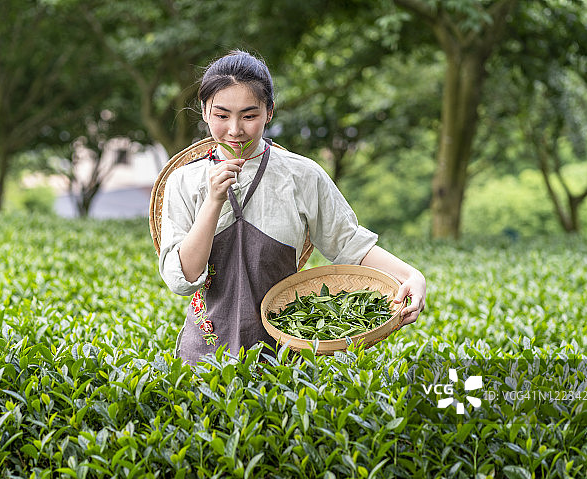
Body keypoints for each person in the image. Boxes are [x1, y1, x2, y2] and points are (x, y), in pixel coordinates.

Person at [158, 49, 426, 364]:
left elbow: (348, 242)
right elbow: (182, 279)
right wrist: (213, 200)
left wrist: (411, 274)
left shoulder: (301, 175)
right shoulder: (184, 181)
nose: (235, 129)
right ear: (204, 111)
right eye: (221, 115)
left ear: (269, 112)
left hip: (284, 358)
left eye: (249, 115)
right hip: (203, 359)